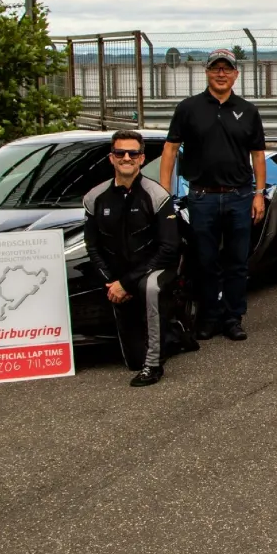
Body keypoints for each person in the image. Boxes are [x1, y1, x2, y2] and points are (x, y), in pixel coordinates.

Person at [159, 48, 266, 342]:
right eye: (216, 68)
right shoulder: (188, 108)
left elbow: (258, 155)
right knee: (204, 261)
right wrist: (164, 194)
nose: (221, 74)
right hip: (202, 197)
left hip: (239, 196)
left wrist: (258, 194)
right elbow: (169, 150)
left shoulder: (248, 110)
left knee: (236, 262)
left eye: (227, 69)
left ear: (236, 74)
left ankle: (233, 318)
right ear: (206, 72)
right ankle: (208, 317)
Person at [83, 131, 181, 386]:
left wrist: (126, 282)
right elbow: (92, 246)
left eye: (133, 153)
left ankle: (153, 367)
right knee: (132, 360)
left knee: (150, 287)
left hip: (153, 270)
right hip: (119, 277)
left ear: (141, 158)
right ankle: (172, 335)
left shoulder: (157, 195)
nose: (126, 158)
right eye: (120, 153)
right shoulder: (94, 197)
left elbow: (169, 248)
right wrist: (111, 282)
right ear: (111, 158)